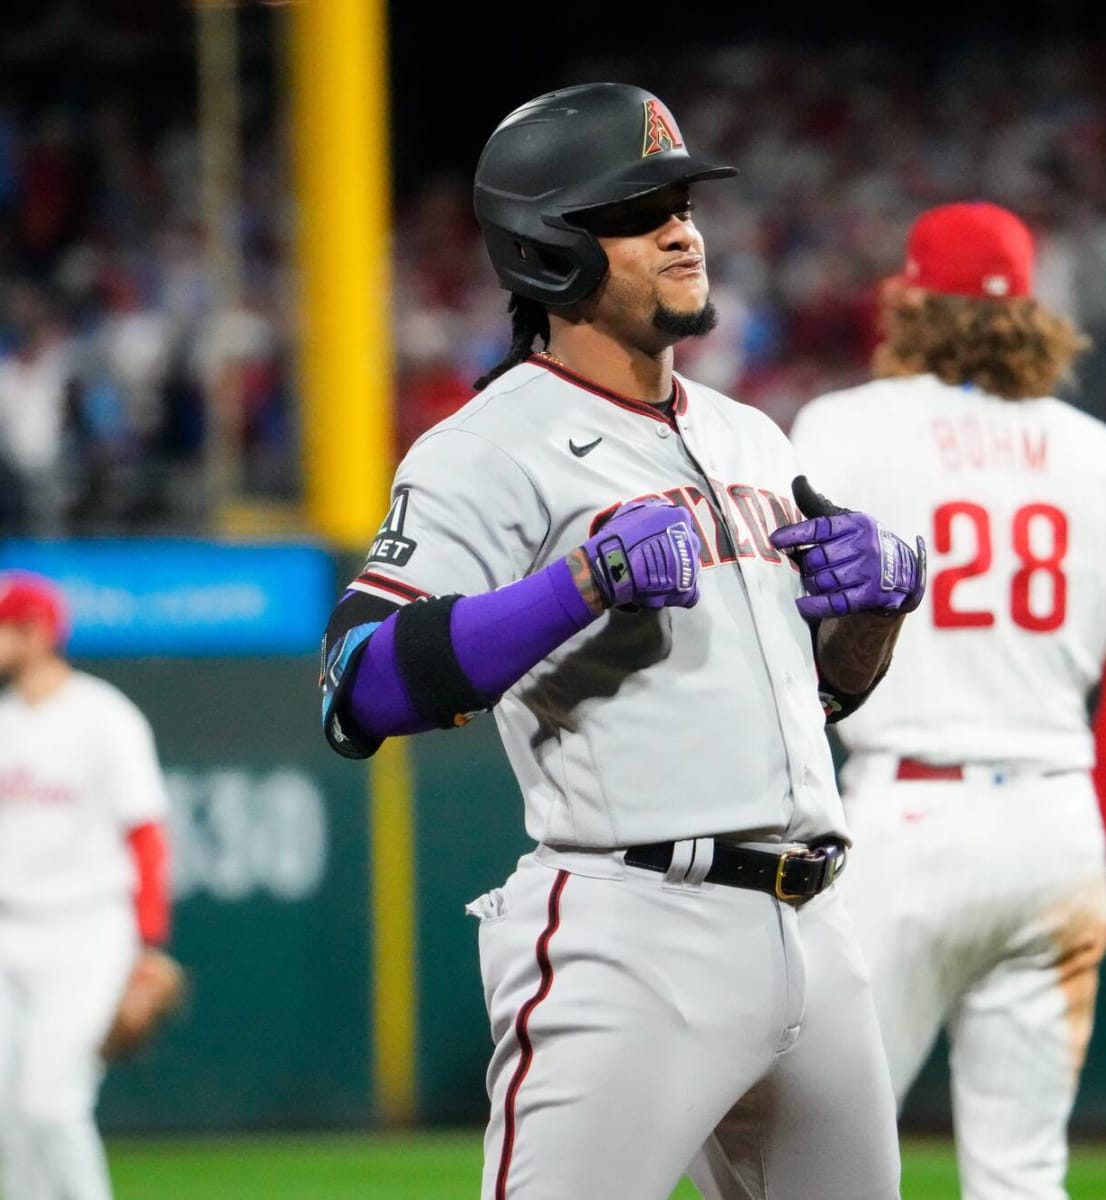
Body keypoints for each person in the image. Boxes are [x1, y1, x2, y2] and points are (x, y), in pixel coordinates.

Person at [319, 82, 928, 1200]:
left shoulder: (748, 433)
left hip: (816, 926)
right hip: (634, 930)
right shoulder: (484, 449)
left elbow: (820, 703)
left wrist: (877, 610)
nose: (683, 227)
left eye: (683, 200)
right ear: (549, 247)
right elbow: (355, 687)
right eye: (641, 209)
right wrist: (576, 587)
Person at [786, 200, 1106, 1200]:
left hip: (906, 814)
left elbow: (775, 625)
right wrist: (1080, 834)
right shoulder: (1096, 452)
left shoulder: (841, 426)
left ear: (912, 302)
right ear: (1030, 314)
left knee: (808, 1153)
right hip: (1053, 815)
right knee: (1021, 1178)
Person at [0, 570, 174, 1200]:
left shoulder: (104, 717)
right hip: (9, 927)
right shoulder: (5, 721)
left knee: (50, 1106)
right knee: (8, 1118)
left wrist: (148, 946)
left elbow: (147, 837)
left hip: (87, 928)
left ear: (37, 632)